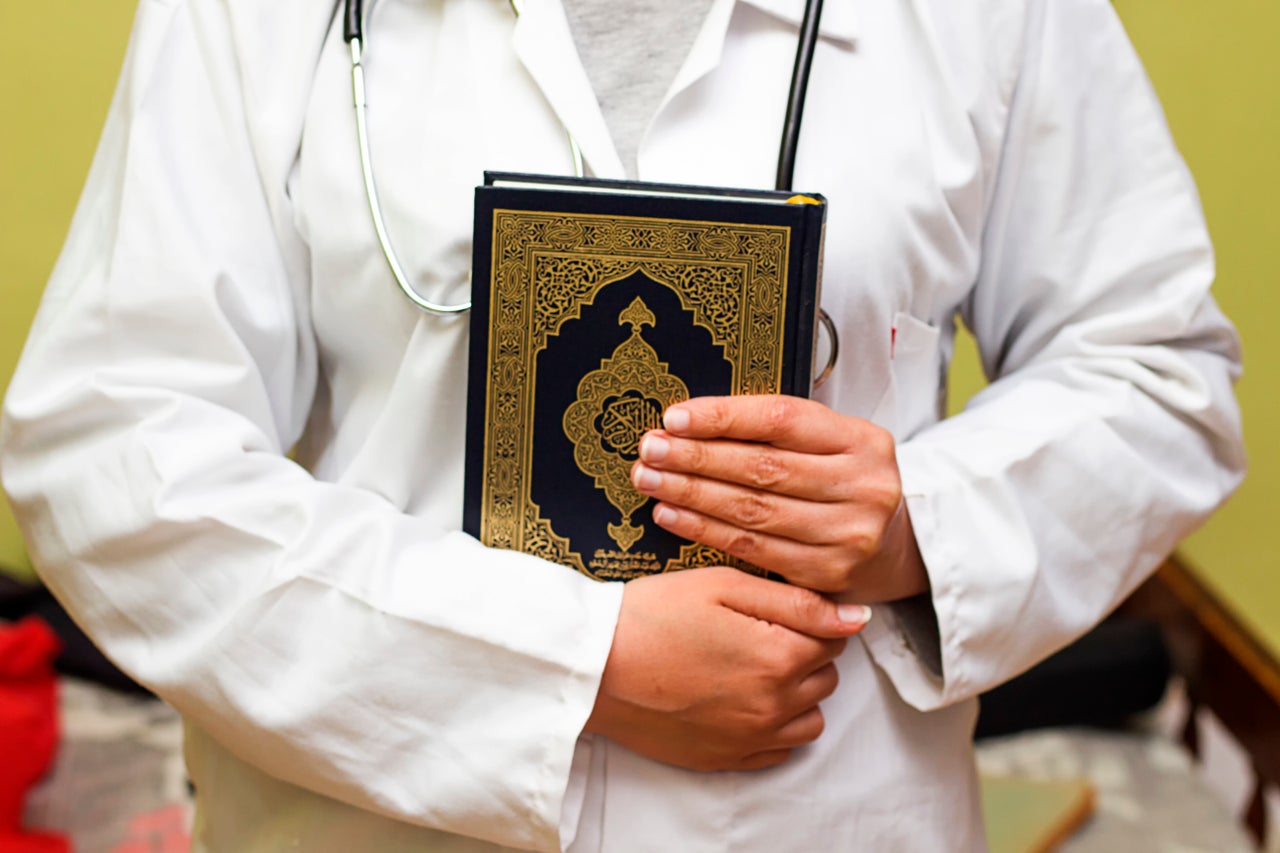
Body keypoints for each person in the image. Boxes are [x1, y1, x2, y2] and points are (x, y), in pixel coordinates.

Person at [0, 0, 1245, 850]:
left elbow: (1156, 373)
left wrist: (921, 520)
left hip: (819, 810)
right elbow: (113, 450)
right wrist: (565, 664)